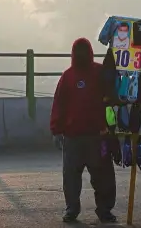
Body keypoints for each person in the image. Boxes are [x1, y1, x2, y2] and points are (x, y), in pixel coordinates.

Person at [50, 38, 117, 224]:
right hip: (73, 137)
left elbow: (112, 95)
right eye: (77, 51)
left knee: (104, 175)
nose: (80, 54)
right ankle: (72, 209)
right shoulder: (68, 76)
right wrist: (56, 130)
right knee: (71, 177)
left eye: (83, 50)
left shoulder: (101, 72)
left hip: (99, 136)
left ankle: (105, 210)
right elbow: (59, 104)